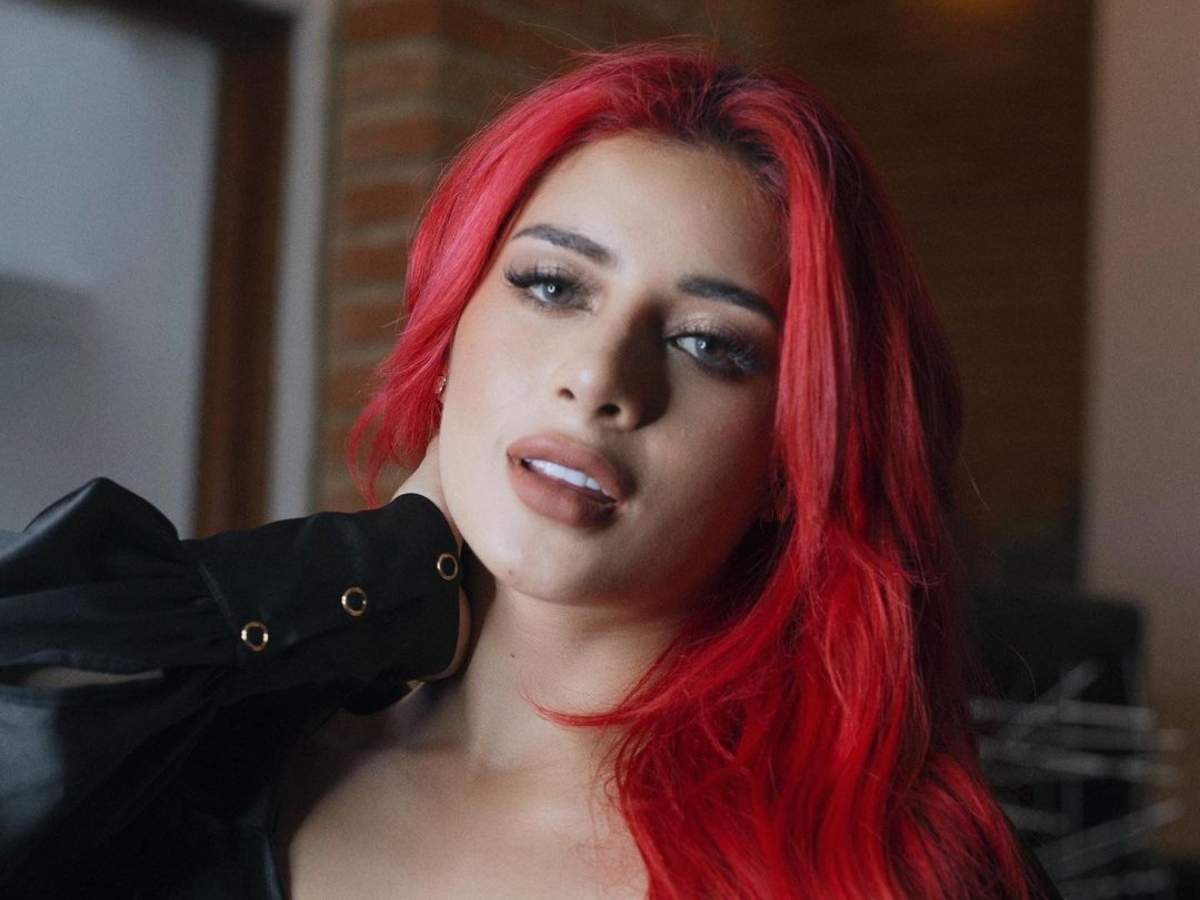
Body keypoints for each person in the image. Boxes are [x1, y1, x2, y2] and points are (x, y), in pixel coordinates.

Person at [0, 46, 1057, 899]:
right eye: (553, 286)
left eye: (710, 344)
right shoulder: (207, 759)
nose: (599, 379)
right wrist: (379, 565)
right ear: (451, 325)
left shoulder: (893, 875)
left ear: (795, 456)